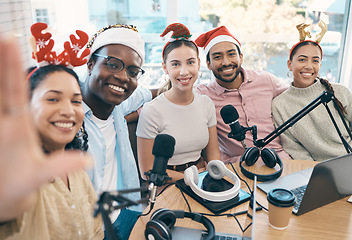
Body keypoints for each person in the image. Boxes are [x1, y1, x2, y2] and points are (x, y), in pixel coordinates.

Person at [0, 26, 103, 239]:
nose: (68, 111)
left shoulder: (77, 170)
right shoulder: (17, 177)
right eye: (53, 99)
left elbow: (95, 230)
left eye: (76, 101)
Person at [82, 24, 152, 239]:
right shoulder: (65, 114)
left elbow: (147, 93)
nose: (123, 77)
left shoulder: (120, 104)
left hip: (125, 215)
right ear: (91, 64)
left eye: (132, 72)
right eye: (112, 65)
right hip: (84, 230)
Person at [136, 23, 221, 183]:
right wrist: (191, 180)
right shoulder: (152, 110)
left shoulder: (206, 103)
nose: (184, 71)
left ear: (198, 64)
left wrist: (217, 179)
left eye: (190, 62)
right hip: (167, 184)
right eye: (175, 64)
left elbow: (214, 156)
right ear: (165, 68)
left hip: (202, 179)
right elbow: (147, 170)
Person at [194, 26, 291, 164]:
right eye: (217, 57)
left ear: (241, 57)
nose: (226, 62)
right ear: (208, 64)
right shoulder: (203, 95)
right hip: (238, 168)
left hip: (281, 161)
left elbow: (296, 97)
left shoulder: (266, 80)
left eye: (231, 54)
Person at [272, 21, 352, 162]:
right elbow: (294, 148)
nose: (309, 66)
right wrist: (315, 172)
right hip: (319, 171)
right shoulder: (279, 105)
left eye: (315, 61)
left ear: (320, 64)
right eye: (302, 60)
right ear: (290, 64)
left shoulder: (340, 92)